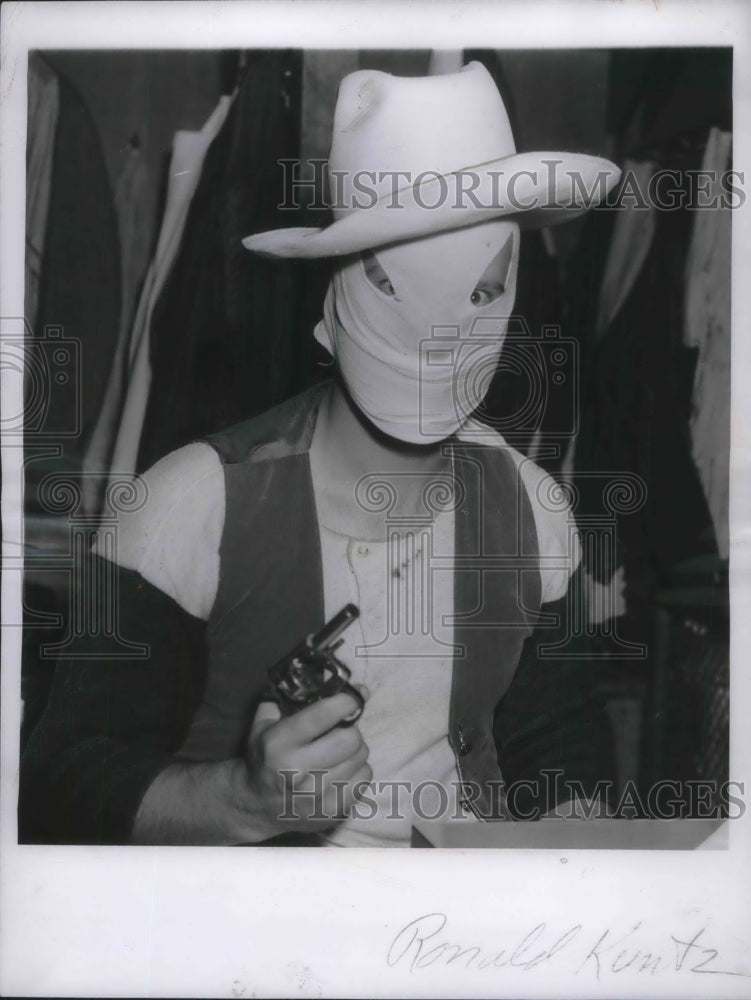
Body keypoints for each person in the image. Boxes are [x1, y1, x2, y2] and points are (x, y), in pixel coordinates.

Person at [20, 61, 621, 846]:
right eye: (395, 282)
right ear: (333, 289)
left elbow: (560, 733)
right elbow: (65, 778)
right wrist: (239, 798)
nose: (439, 335)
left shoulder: (531, 509)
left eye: (481, 291)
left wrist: (578, 827)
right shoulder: (187, 505)